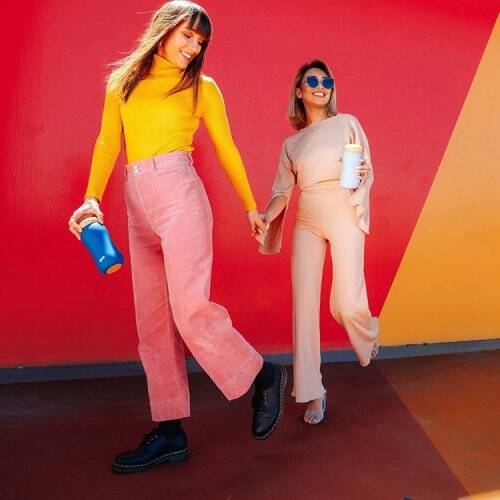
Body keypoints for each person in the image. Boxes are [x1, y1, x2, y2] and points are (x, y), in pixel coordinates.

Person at [68, 1, 286, 473]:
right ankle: (170, 432)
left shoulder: (202, 87)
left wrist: (250, 205)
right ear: (163, 30)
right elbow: (108, 142)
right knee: (153, 324)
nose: (193, 47)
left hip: (179, 196)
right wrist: (91, 198)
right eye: (188, 35)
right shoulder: (123, 82)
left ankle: (264, 374)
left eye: (200, 42)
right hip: (136, 200)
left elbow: (226, 146)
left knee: (189, 309)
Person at [257, 60, 379, 425]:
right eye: (312, 80)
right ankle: (313, 392)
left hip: (343, 209)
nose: (320, 86)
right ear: (299, 91)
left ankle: (368, 332)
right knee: (304, 307)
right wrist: (267, 216)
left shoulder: (347, 123)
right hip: (307, 218)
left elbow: (365, 169)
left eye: (327, 81)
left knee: (348, 303)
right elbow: (282, 191)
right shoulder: (292, 143)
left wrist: (361, 175)